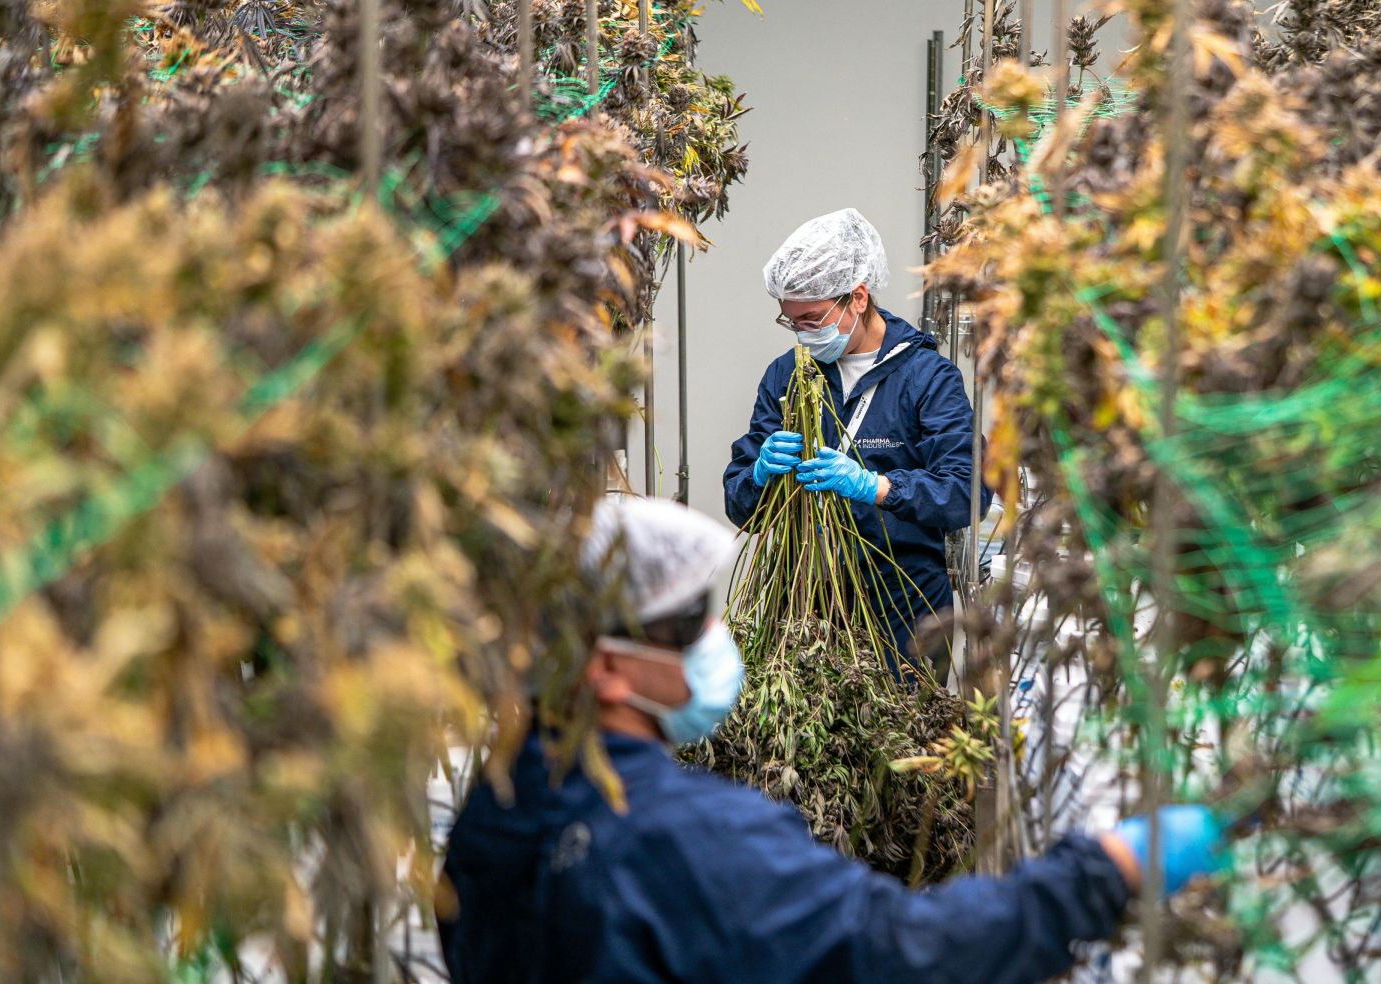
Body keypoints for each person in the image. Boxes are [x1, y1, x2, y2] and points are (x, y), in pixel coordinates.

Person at [438, 496, 1225, 984]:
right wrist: (1104, 870)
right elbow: (899, 954)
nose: (714, 634)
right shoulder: (690, 837)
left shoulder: (494, 814)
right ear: (607, 669)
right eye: (684, 624)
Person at [724, 208, 989, 679]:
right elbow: (740, 506)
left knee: (900, 739)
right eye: (792, 323)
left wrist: (878, 488)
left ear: (858, 298)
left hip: (904, 605)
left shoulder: (926, 378)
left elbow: (969, 493)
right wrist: (758, 476)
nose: (803, 334)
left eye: (811, 319)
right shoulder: (788, 376)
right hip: (808, 602)